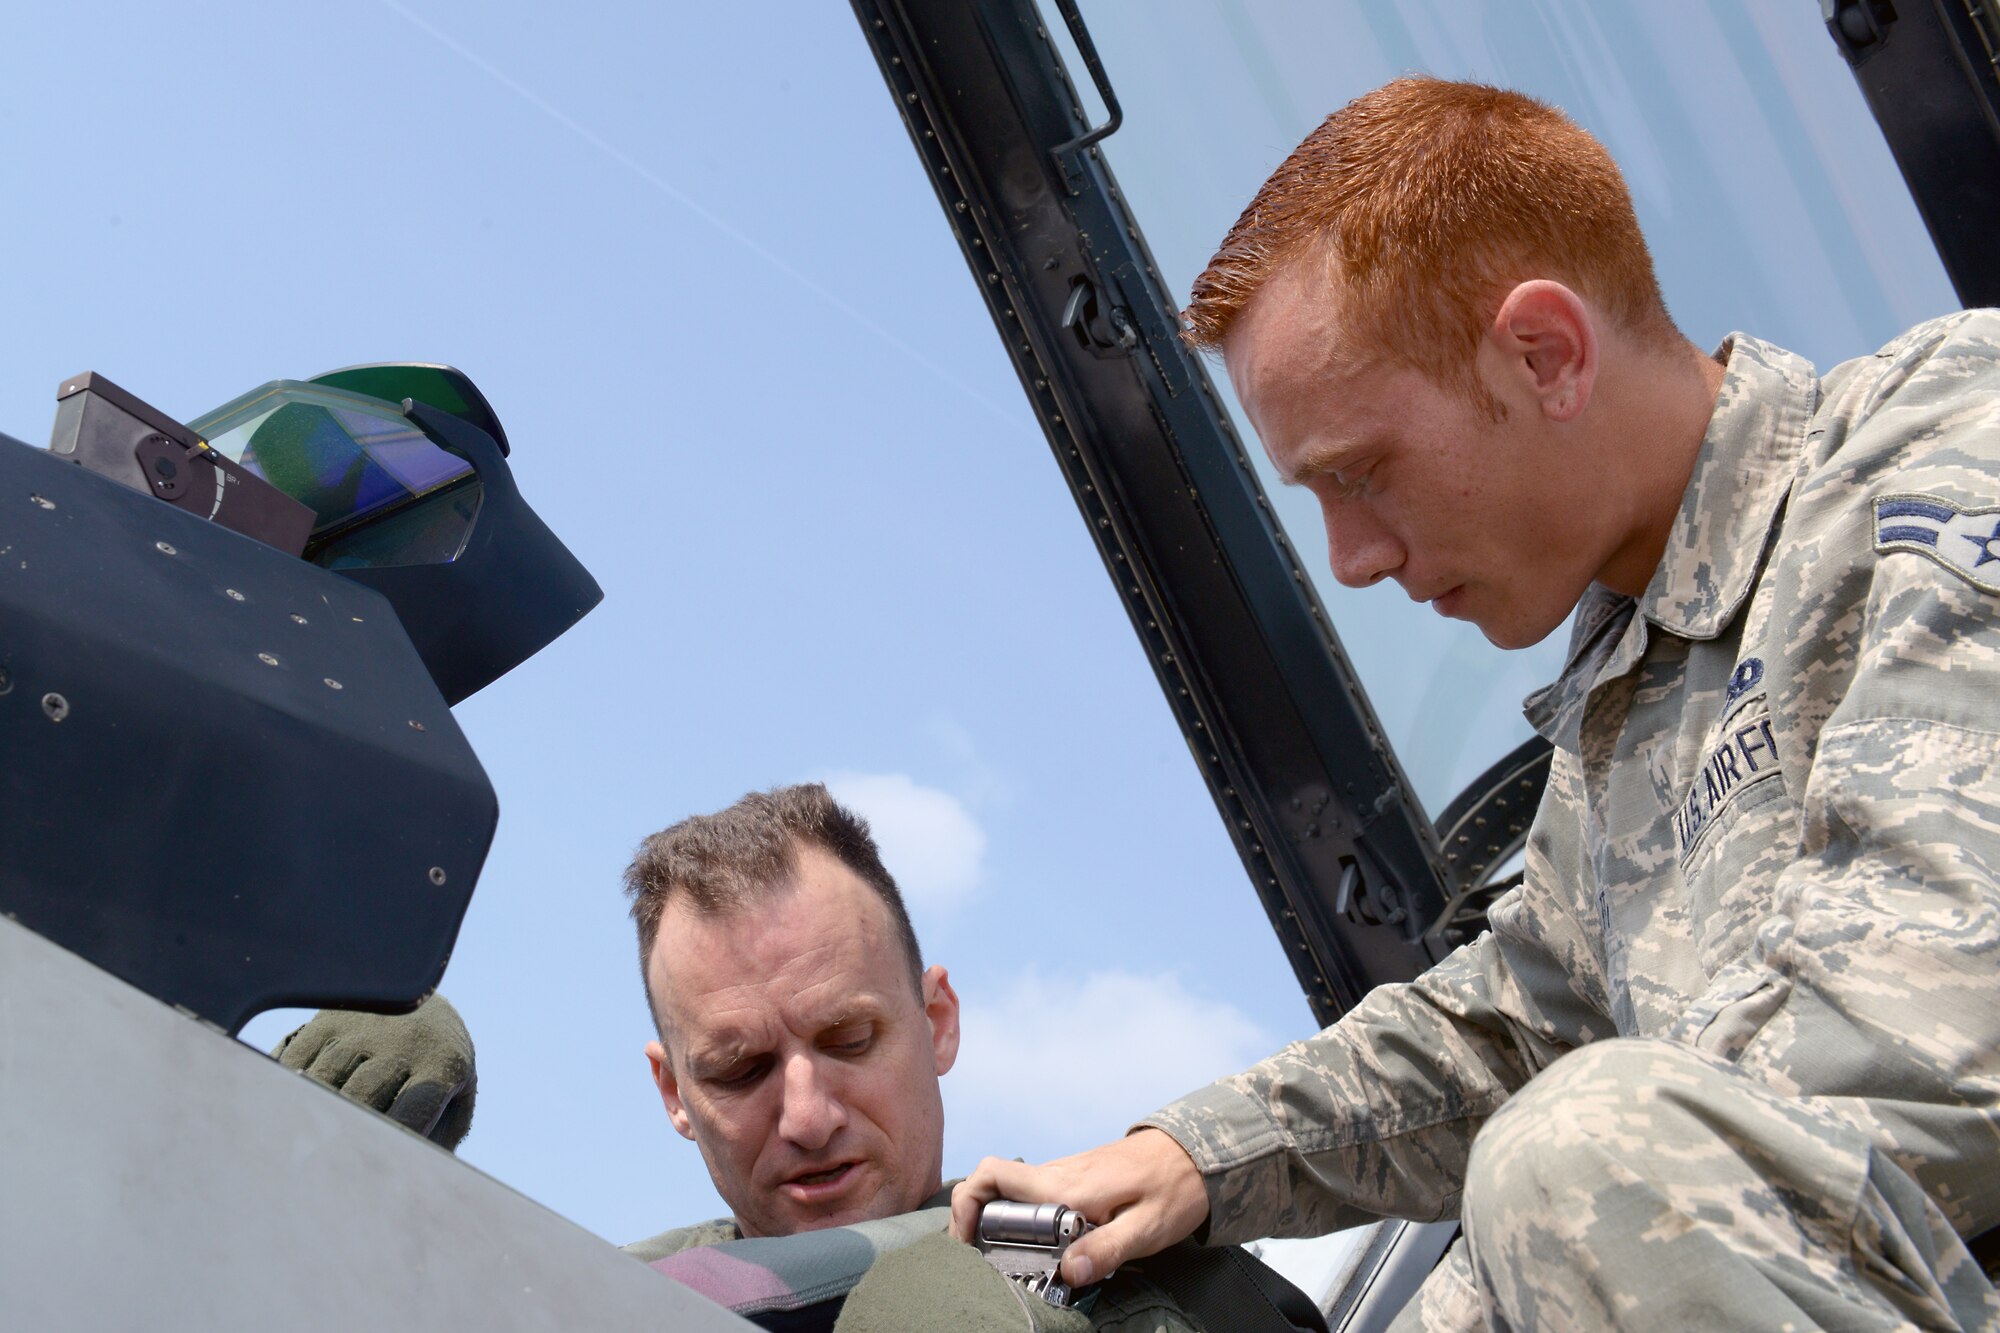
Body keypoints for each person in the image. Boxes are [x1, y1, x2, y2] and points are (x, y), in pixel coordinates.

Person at [952, 77, 2000, 1331]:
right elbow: (1511, 1023)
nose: (1348, 558)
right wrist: (1195, 1154)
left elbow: (1932, 1014)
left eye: (1361, 472)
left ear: (1543, 353)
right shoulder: (1623, 710)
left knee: (1569, 1157)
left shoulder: (1943, 438)